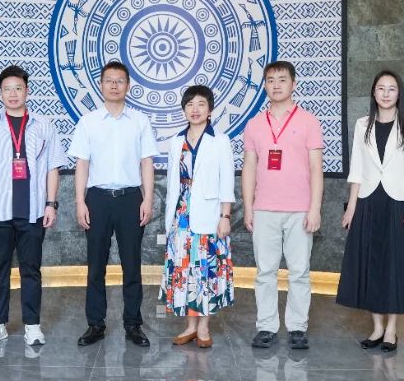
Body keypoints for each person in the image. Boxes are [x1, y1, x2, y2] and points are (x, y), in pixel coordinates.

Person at [0, 65, 67, 347]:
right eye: (7, 89)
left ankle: (32, 326)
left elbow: (53, 168)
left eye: (18, 88)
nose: (13, 94)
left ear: (27, 91)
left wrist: (51, 204)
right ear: (0, 93)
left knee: (31, 270)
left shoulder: (44, 125)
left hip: (33, 211)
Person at [337, 70, 404, 351]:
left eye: (391, 88)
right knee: (371, 264)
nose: (386, 93)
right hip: (368, 202)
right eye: (381, 88)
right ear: (374, 92)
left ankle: (391, 330)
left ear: (399, 94)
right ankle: (376, 328)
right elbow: (356, 169)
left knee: (394, 266)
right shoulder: (362, 124)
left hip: (398, 203)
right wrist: (351, 207)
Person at [71, 59, 157, 347]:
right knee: (96, 266)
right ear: (101, 85)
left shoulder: (139, 121)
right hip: (97, 199)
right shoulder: (88, 122)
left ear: (128, 86)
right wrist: (80, 201)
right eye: (109, 80)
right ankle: (95, 324)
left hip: (131, 199)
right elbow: (82, 164)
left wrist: (147, 199)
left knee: (132, 265)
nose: (114, 85)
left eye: (120, 81)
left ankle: (133, 324)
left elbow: (147, 162)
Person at [241, 60, 324, 351]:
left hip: (300, 209)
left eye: (282, 79)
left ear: (293, 84)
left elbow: (316, 168)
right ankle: (266, 327)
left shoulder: (309, 122)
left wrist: (315, 208)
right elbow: (249, 167)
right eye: (271, 80)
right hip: (264, 208)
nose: (276, 85)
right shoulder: (254, 124)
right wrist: (248, 207)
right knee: (265, 272)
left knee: (299, 271)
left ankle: (298, 327)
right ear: (265, 85)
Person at [160, 84, 235, 348]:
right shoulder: (175, 141)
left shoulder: (220, 140)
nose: (195, 109)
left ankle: (204, 327)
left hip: (210, 214)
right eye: (190, 104)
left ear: (210, 109)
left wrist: (225, 215)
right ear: (184, 110)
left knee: (206, 271)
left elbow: (227, 180)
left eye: (201, 104)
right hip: (181, 214)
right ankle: (190, 326)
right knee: (184, 269)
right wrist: (169, 218)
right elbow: (172, 182)